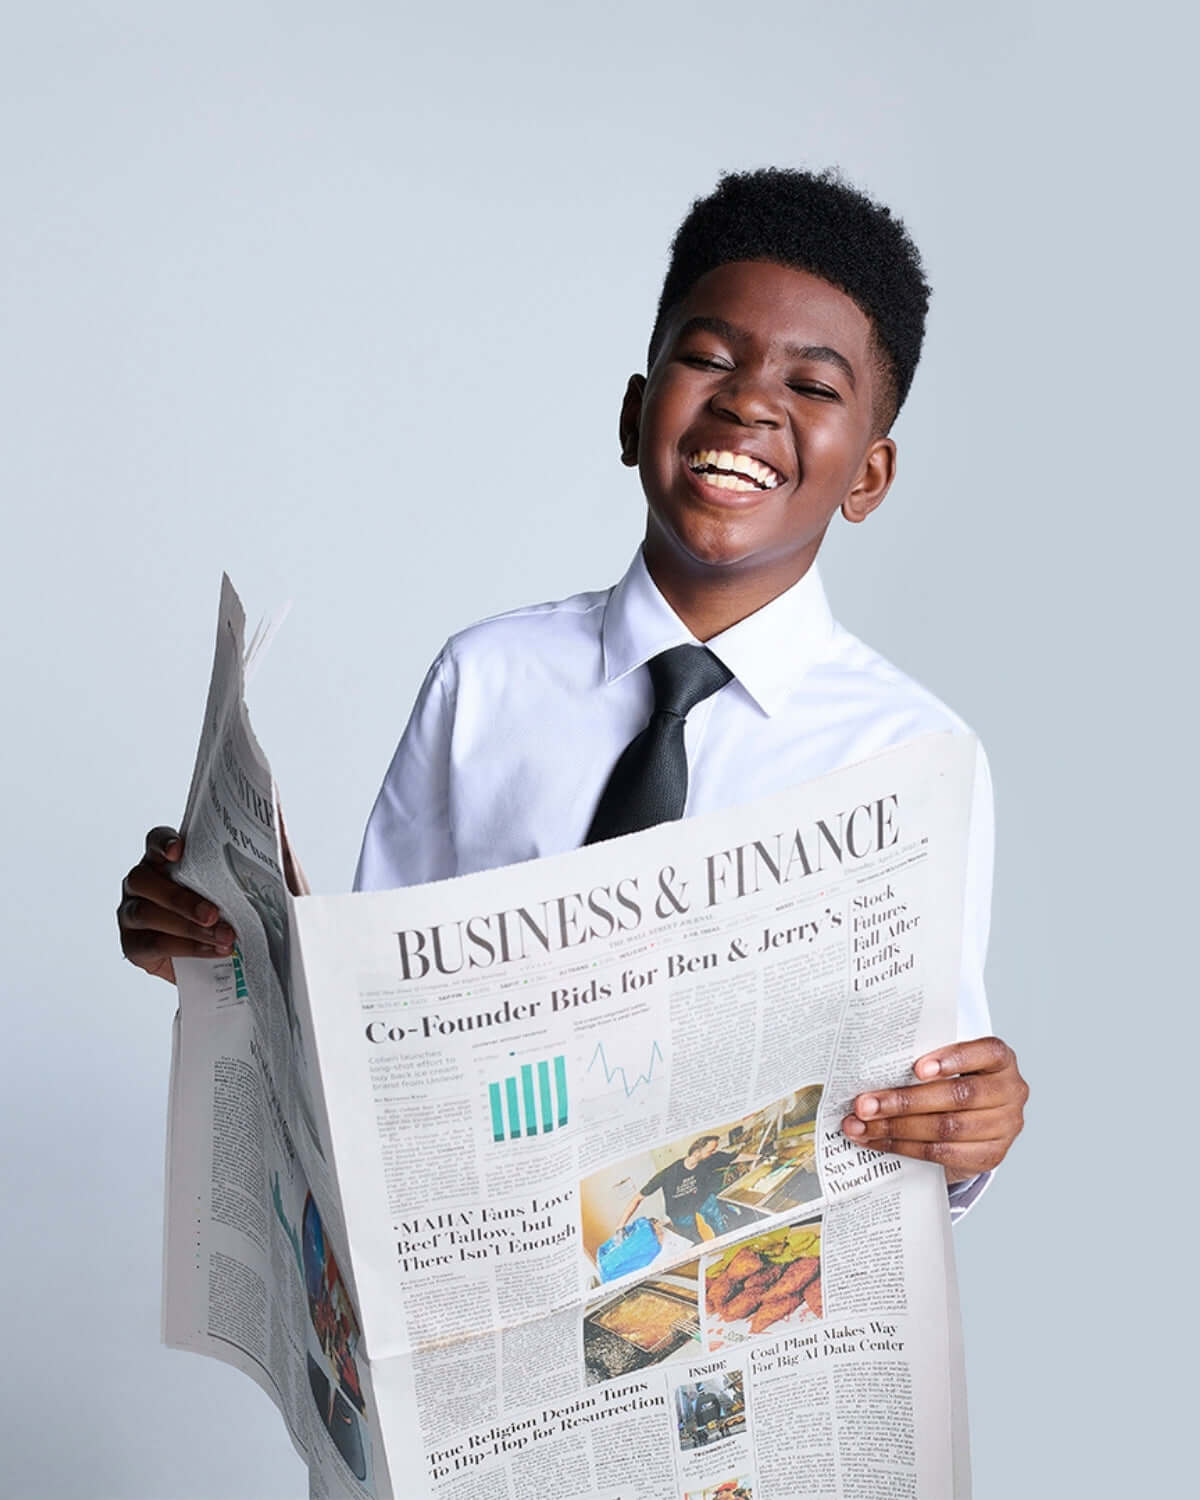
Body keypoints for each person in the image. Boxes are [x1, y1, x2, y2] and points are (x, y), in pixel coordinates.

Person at [118, 167, 1028, 1204]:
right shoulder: (487, 681)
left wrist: (971, 1127)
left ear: (867, 475)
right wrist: (224, 952)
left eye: (813, 388)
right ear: (638, 413)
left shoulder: (913, 755)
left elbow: (932, 1101)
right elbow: (381, 1035)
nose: (748, 403)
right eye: (708, 360)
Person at [617, 1134, 753, 1244]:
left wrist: (760, 1157)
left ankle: (725, 1243)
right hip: (680, 1211)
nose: (714, 1153)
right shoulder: (668, 1174)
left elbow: (736, 1157)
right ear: (696, 1152)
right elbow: (638, 1198)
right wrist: (620, 1226)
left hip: (702, 1199)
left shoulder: (710, 1159)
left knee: (721, 1225)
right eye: (710, 1150)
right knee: (694, 1240)